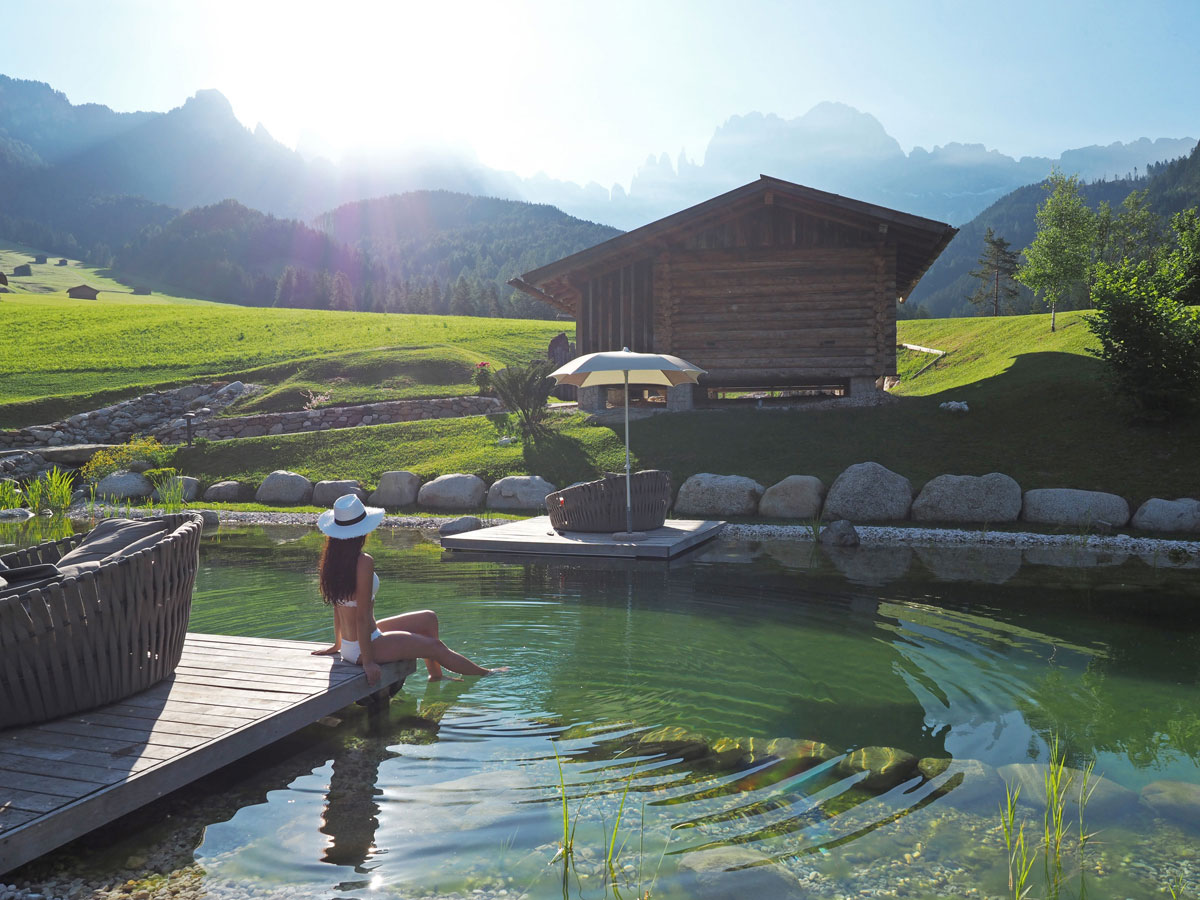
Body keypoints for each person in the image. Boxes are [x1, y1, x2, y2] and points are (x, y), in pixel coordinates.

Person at [312, 493, 502, 684]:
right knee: (435, 647)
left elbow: (338, 605)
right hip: (365, 647)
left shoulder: (331, 562)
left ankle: (436, 676)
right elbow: (361, 617)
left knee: (428, 619)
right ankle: (487, 674)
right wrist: (368, 662)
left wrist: (338, 645)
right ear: (362, 530)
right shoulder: (363, 562)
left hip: (353, 643)